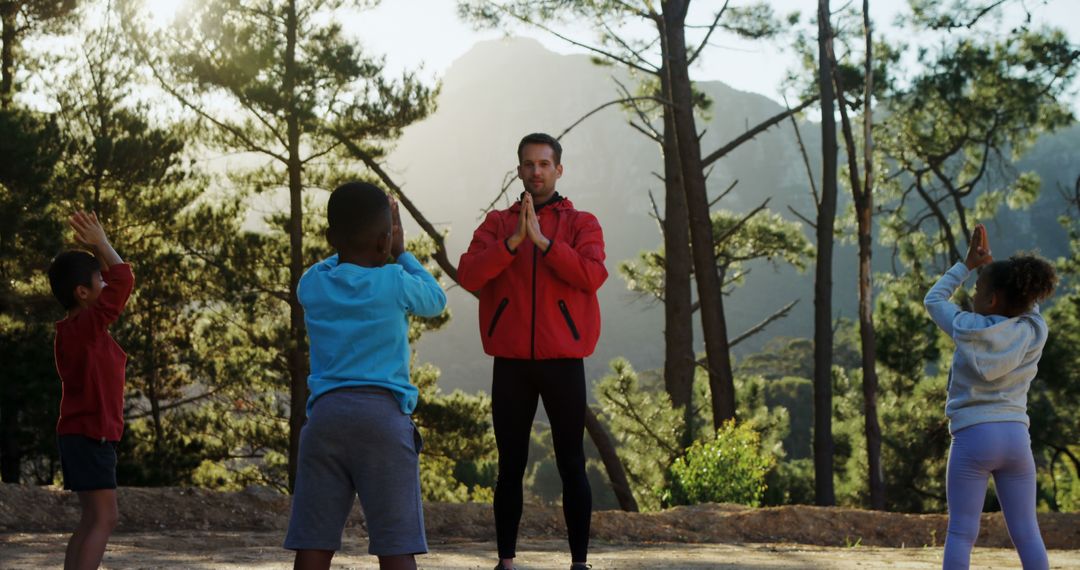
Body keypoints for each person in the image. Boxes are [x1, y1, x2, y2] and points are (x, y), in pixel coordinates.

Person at [458, 133, 607, 570]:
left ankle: (579, 563)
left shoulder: (583, 223)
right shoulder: (497, 224)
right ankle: (506, 561)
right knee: (510, 466)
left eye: (545, 164)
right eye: (528, 164)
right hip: (511, 364)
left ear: (559, 170)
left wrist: (543, 242)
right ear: (519, 170)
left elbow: (592, 275)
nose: (536, 171)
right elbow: (468, 274)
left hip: (564, 361)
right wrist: (513, 242)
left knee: (572, 463)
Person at [283, 182, 447, 570]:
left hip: (325, 419)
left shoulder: (313, 283)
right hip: (382, 420)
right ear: (384, 240)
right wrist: (401, 253)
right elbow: (435, 299)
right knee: (396, 544)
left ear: (330, 237)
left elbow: (332, 265)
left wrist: (355, 244)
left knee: (313, 542)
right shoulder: (393, 281)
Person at [924, 223, 1057, 570]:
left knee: (961, 533)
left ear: (992, 299)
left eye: (979, 288)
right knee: (1027, 533)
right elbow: (1027, 305)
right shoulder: (1032, 331)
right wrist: (998, 277)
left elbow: (934, 299)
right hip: (1015, 438)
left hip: (973, 437)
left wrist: (967, 266)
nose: (973, 294)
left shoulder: (964, 327)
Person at [48, 211, 135, 570]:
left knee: (91, 520)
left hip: (81, 435)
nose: (105, 283)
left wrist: (98, 249)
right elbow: (124, 280)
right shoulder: (84, 326)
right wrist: (102, 244)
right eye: (98, 280)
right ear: (82, 293)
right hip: (90, 436)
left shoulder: (77, 330)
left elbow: (115, 282)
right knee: (104, 518)